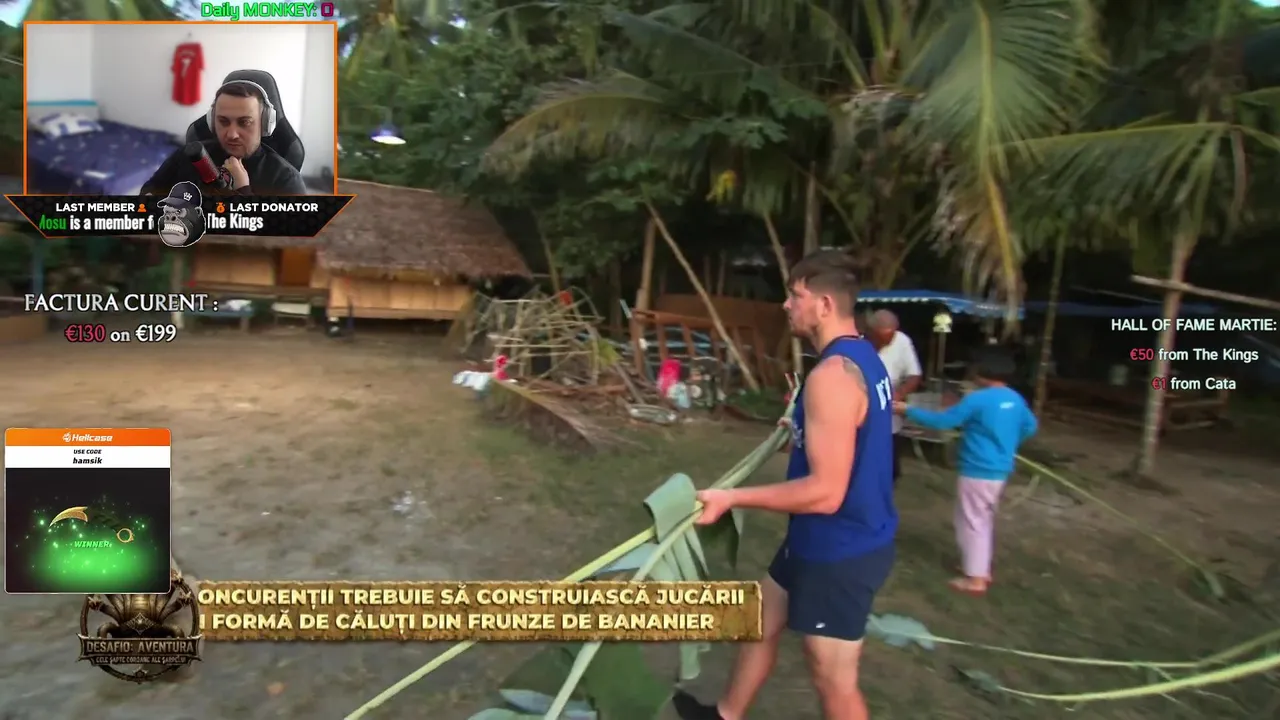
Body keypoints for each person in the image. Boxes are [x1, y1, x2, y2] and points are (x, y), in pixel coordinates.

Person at [674, 249, 896, 720]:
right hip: (817, 537)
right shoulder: (863, 358)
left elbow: (826, 492)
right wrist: (800, 426)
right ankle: (725, 715)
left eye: (795, 295)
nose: (786, 304)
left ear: (824, 305)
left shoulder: (832, 376)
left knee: (832, 679)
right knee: (761, 620)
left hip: (841, 548)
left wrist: (731, 498)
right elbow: (851, 433)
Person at [893, 346, 1038, 596]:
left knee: (970, 521)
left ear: (982, 373)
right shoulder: (1015, 399)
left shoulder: (977, 399)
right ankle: (979, 566)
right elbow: (1030, 427)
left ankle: (975, 579)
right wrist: (1007, 443)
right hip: (1000, 469)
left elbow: (944, 421)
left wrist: (907, 410)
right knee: (983, 518)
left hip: (977, 468)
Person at [141, 81, 307, 197]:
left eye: (245, 122)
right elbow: (149, 191)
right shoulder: (187, 156)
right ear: (212, 121)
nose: (232, 134)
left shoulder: (285, 179)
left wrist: (243, 191)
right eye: (223, 121)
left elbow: (284, 234)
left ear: (265, 124)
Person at [867, 309, 922, 484]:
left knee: (889, 458)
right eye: (883, 337)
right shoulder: (859, 341)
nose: (889, 341)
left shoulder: (902, 341)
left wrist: (899, 394)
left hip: (889, 409)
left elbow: (914, 375)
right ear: (872, 332)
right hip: (863, 405)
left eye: (891, 336)